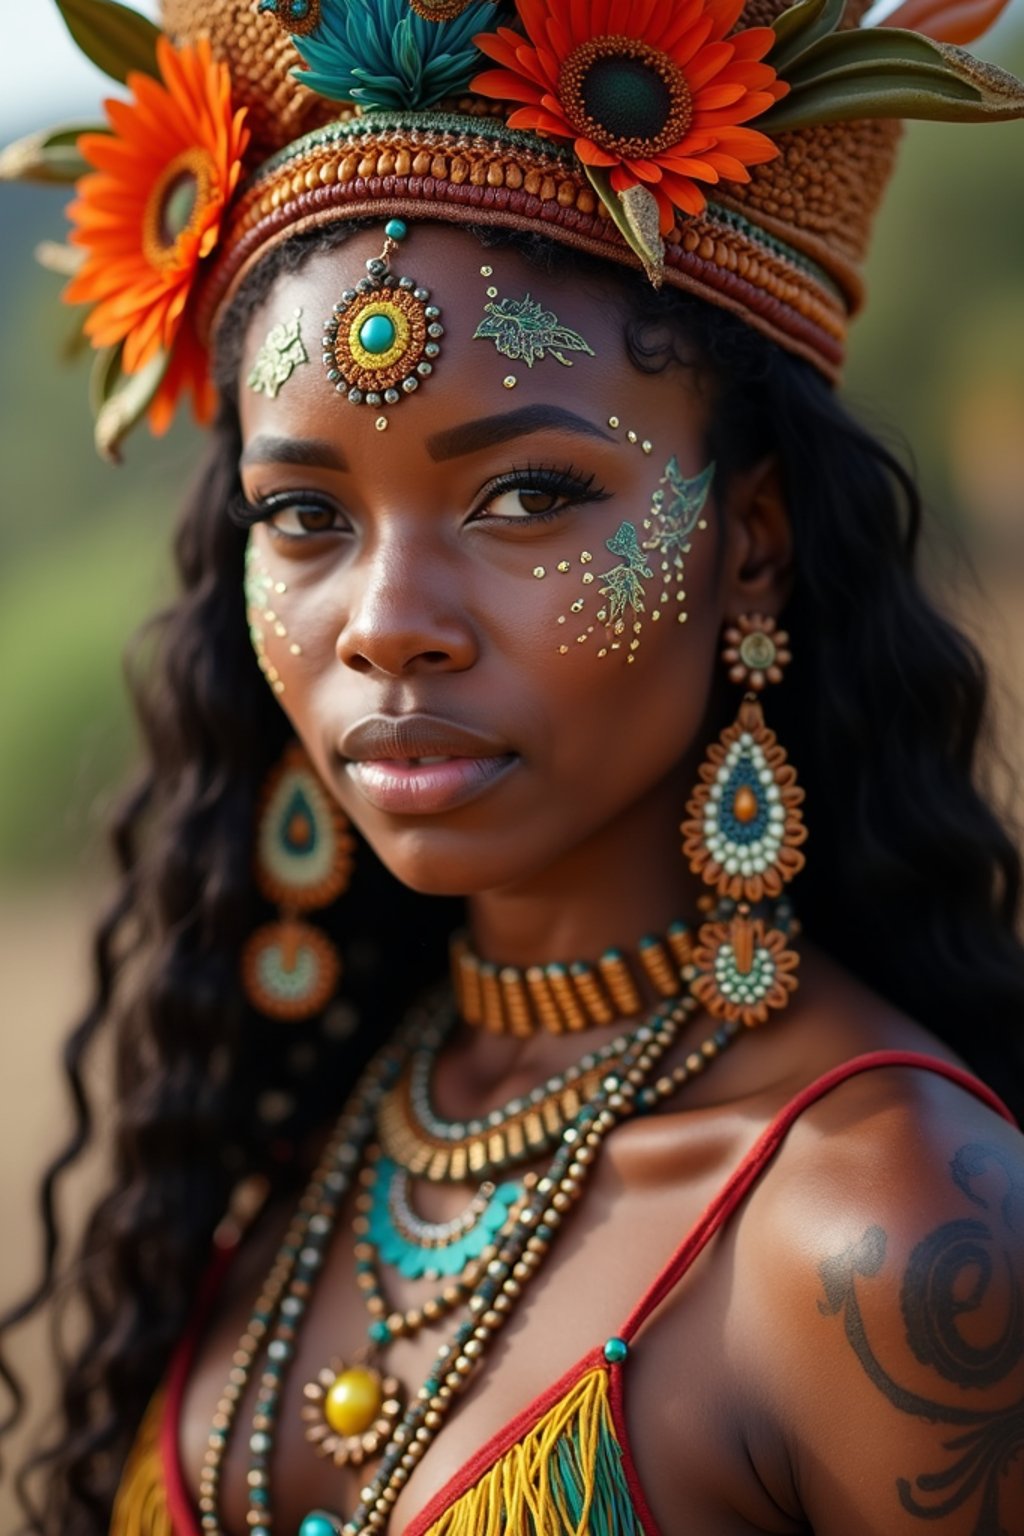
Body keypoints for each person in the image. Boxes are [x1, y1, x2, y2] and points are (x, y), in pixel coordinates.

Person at [4, 1, 1024, 1533]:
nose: (388, 627)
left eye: (528, 493)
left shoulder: (885, 1225)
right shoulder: (296, 1127)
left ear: (752, 544)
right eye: (304, 517)